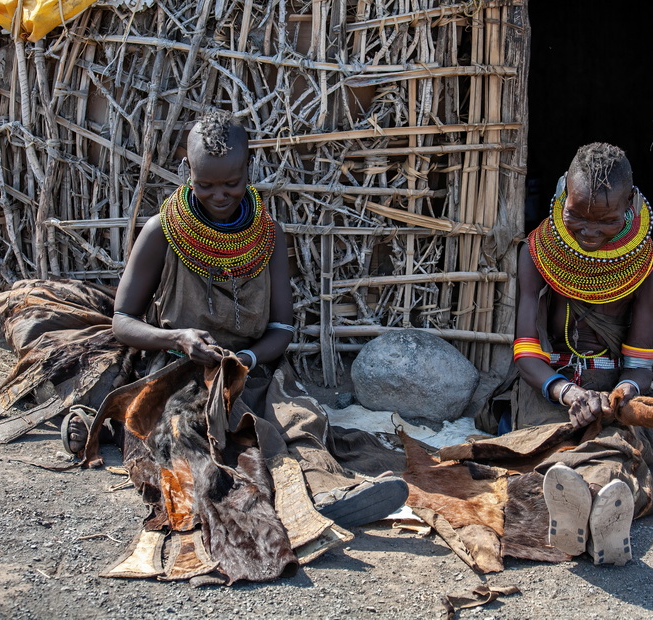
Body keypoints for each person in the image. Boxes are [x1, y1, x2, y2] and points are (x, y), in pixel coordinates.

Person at [63, 109, 407, 530]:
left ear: (249, 171)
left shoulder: (269, 235)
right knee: (180, 431)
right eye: (205, 184)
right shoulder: (160, 231)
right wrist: (180, 338)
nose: (220, 195)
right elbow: (122, 320)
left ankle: (328, 491)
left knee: (298, 420)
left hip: (252, 368)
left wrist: (244, 359)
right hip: (178, 367)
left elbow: (281, 328)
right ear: (186, 170)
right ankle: (222, 500)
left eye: (231, 183)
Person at [511, 142, 653, 566]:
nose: (588, 230)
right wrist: (568, 394)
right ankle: (595, 508)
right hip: (552, 383)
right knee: (550, 437)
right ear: (563, 194)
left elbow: (640, 363)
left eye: (606, 221)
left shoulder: (648, 267)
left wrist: (617, 397)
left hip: (617, 384)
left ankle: (595, 508)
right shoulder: (535, 254)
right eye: (576, 216)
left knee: (623, 437)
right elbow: (526, 351)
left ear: (632, 205)